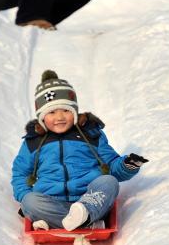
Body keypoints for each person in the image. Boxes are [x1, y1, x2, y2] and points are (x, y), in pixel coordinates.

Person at [12, 70, 147, 231]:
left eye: (66, 110)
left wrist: (127, 165)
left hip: (90, 199)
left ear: (75, 112)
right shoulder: (33, 142)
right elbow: (20, 174)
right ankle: (87, 223)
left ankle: (74, 217)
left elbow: (111, 166)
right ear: (41, 117)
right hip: (51, 201)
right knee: (30, 201)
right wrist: (24, 198)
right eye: (52, 112)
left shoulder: (90, 134)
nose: (60, 117)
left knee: (109, 181)